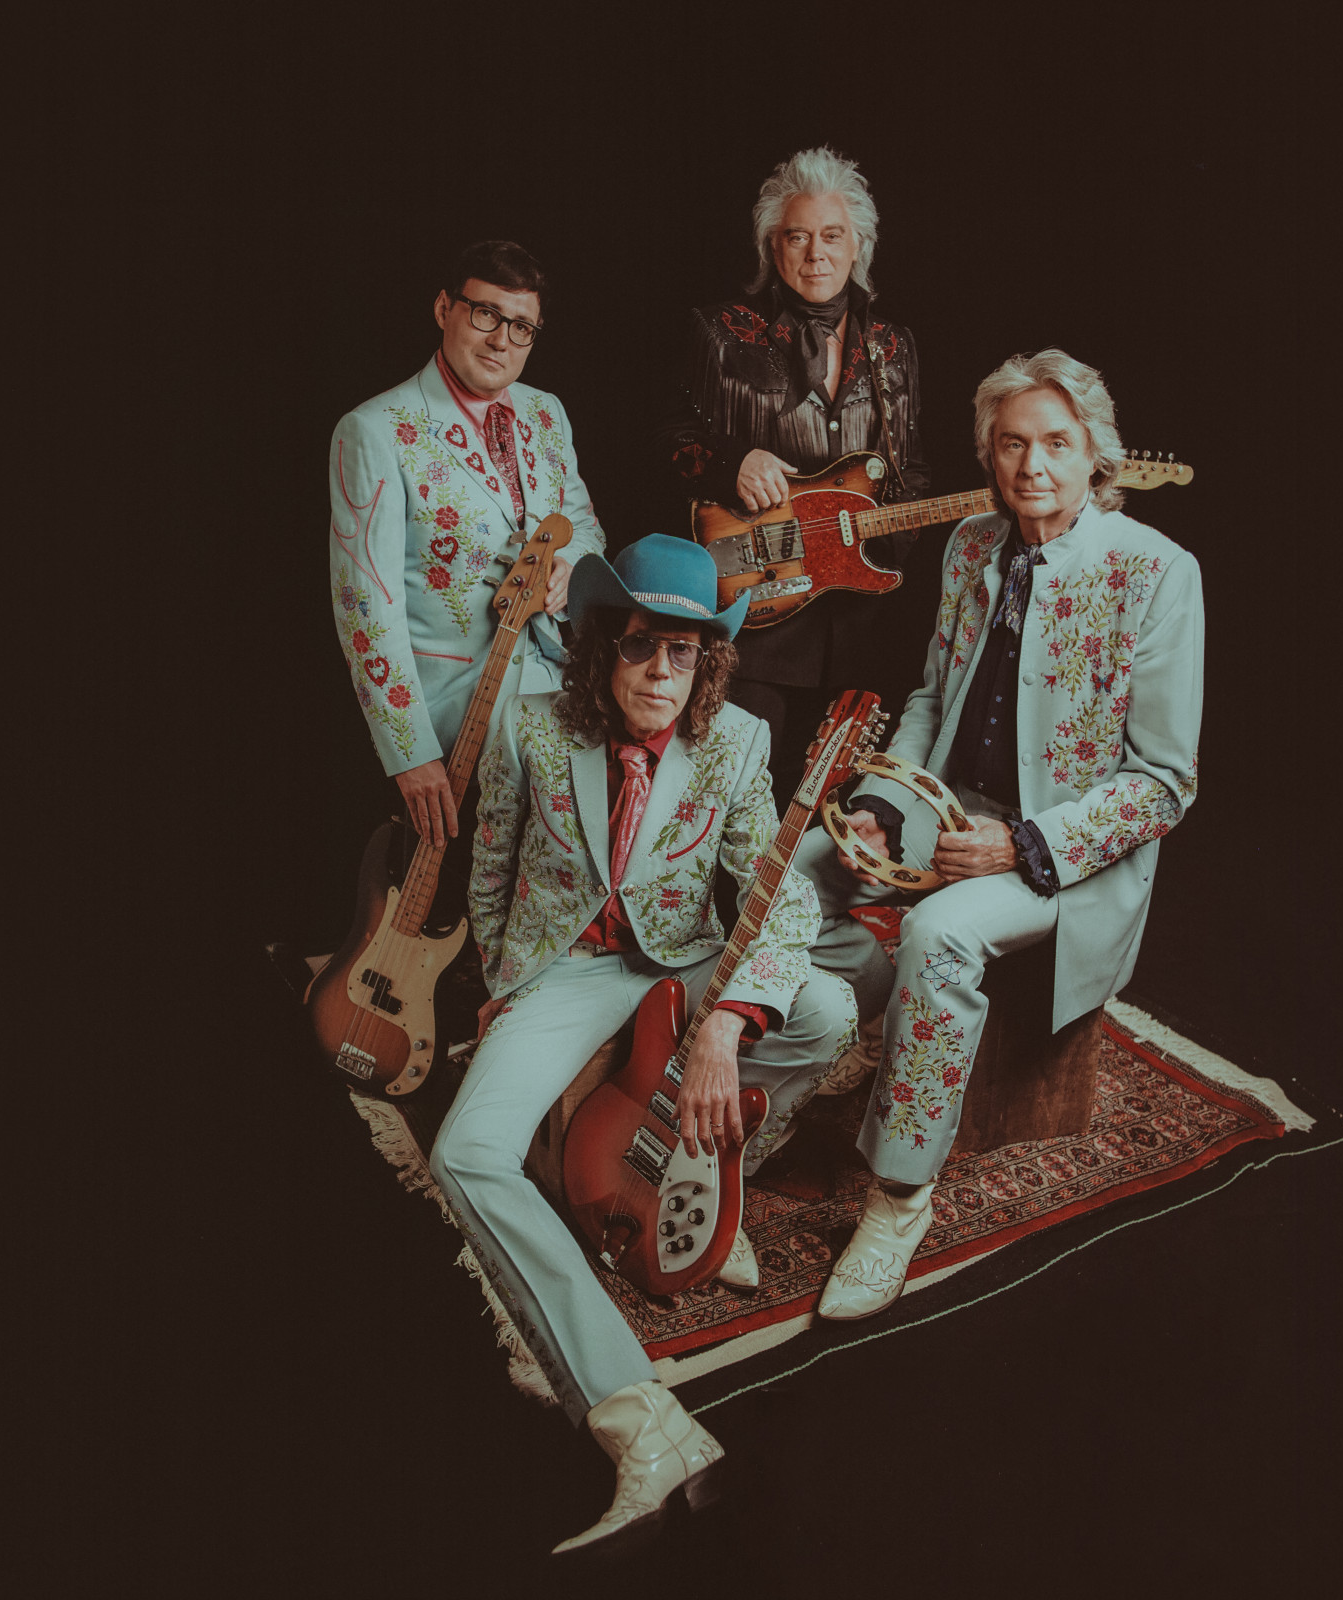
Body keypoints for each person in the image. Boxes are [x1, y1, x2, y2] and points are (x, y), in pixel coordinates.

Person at [429, 534, 856, 1553]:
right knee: (463, 1153)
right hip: (567, 969)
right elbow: (489, 873)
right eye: (638, 649)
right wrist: (501, 989)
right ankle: (641, 1421)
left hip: (682, 960)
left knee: (828, 1012)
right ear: (597, 650)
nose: (660, 674)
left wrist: (724, 1023)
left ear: (708, 660)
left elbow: (780, 894)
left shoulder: (738, 741)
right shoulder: (531, 731)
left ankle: (718, 1165)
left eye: (683, 653)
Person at [791, 349, 1205, 1319]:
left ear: (1094, 452)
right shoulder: (973, 542)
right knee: (798, 878)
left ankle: (898, 1197)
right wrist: (883, 802)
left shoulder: (1155, 571)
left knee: (941, 934)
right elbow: (935, 695)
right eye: (1012, 442)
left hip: (1066, 852)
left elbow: (1165, 779)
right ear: (989, 451)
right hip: (953, 805)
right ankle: (870, 1034)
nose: (1032, 465)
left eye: (1056, 443)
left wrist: (1021, 846)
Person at [657, 145, 931, 804]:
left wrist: (884, 535)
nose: (816, 253)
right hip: (757, 611)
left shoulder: (894, 349)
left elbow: (911, 467)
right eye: (797, 236)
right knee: (733, 801)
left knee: (830, 811)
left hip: (861, 623)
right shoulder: (721, 333)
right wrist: (732, 465)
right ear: (770, 247)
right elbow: (667, 443)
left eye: (832, 235)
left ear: (858, 245)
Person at [329, 239, 605, 851]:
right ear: (443, 309)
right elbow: (365, 610)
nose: (501, 340)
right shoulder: (375, 430)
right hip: (454, 711)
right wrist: (410, 752)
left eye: (522, 327)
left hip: (561, 685)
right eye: (485, 314)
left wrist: (569, 560)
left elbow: (585, 525)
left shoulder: (546, 413)